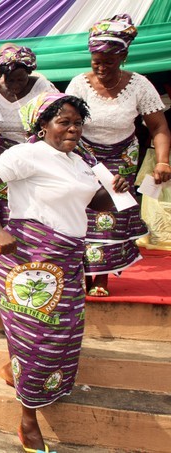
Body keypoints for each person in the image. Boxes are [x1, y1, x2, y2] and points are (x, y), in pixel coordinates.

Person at [0, 93, 129, 453]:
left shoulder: (78, 161)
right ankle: (28, 421)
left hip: (68, 260)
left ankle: (19, 374)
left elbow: (91, 202)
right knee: (39, 340)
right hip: (28, 260)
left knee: (64, 336)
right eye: (64, 122)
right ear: (43, 126)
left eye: (77, 123)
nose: (73, 129)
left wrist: (115, 190)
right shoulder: (28, 154)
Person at [65, 14, 171, 296]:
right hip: (83, 155)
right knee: (82, 215)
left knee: (109, 218)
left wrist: (161, 161)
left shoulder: (139, 85)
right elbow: (64, 122)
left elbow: (159, 126)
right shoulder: (78, 84)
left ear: (123, 56)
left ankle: (101, 280)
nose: (101, 68)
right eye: (96, 61)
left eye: (108, 62)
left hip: (122, 157)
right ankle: (81, 277)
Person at [0, 43, 58, 226]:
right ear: (0, 74)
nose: (15, 85)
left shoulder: (42, 86)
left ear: (29, 74)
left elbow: (56, 123)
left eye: (21, 80)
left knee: (37, 203)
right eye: (10, 80)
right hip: (4, 154)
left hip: (37, 152)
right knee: (6, 204)